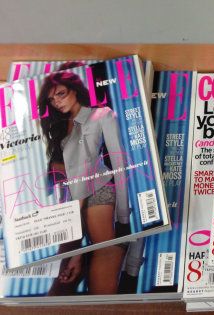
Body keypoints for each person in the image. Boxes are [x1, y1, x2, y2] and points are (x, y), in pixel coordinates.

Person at [38, 70, 129, 294]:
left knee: (104, 257)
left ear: (76, 91)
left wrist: (123, 217)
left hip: (99, 191)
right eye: (52, 99)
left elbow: (118, 163)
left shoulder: (101, 115)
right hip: (72, 203)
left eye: (61, 94)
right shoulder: (60, 127)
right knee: (65, 272)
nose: (57, 101)